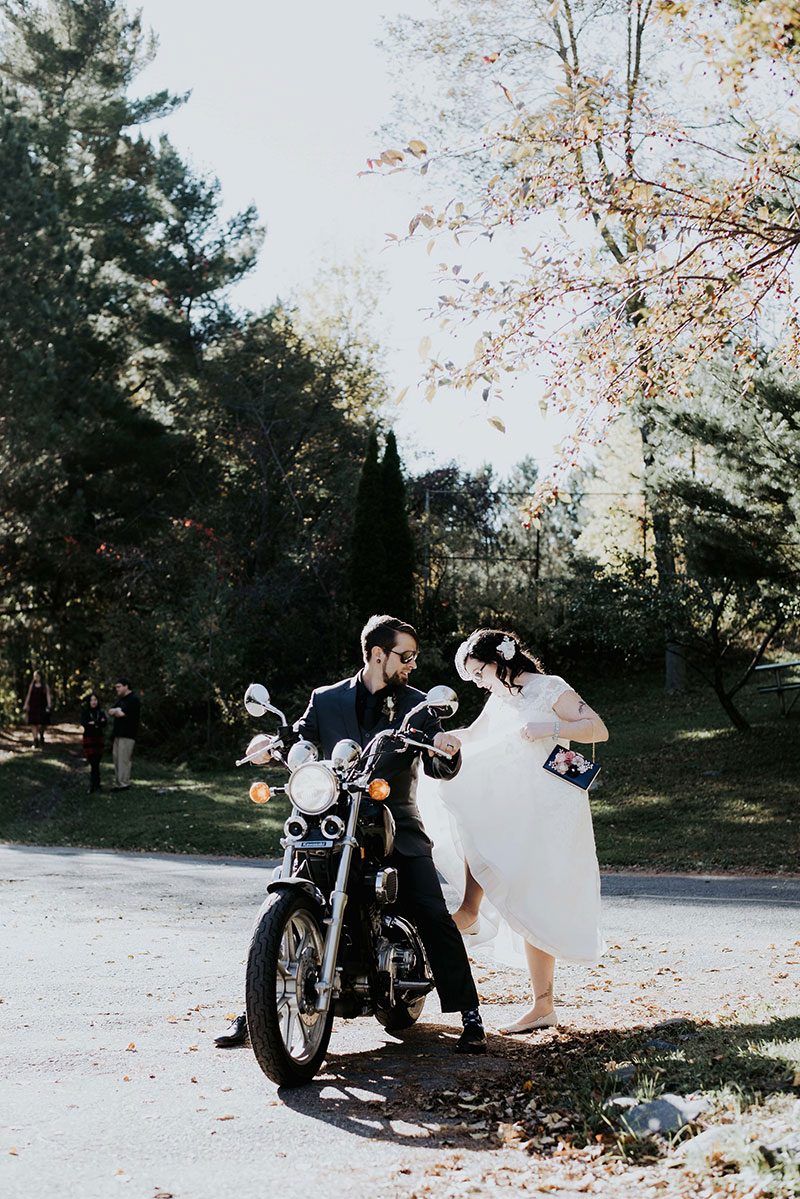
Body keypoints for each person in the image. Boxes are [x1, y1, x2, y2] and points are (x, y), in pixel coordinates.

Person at [215, 614, 488, 1055]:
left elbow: (439, 759)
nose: (412, 665)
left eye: (414, 658)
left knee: (430, 908)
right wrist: (268, 746)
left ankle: (469, 1013)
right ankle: (257, 1011)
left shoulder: (417, 704)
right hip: (334, 818)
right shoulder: (325, 700)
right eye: (406, 656)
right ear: (378, 654)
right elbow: (297, 739)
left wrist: (448, 753)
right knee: (283, 895)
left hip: (393, 822)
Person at [417, 628, 608, 1036]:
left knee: (535, 891)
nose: (478, 682)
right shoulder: (501, 698)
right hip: (514, 803)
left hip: (549, 804)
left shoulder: (549, 688)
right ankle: (471, 911)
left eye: (479, 673)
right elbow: (480, 735)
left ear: (499, 660)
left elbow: (597, 728)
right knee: (475, 820)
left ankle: (542, 1004)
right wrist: (448, 739)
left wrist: (550, 729)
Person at [107, 678, 141, 791]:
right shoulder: (121, 700)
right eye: (116, 687)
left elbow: (121, 714)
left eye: (119, 686)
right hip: (118, 734)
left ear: (126, 686)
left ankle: (124, 784)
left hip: (128, 734)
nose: (117, 689)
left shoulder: (133, 700)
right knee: (116, 758)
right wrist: (117, 710)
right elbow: (111, 711)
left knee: (123, 759)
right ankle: (119, 783)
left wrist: (117, 711)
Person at [81, 692, 107, 793]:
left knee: (97, 762)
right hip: (89, 739)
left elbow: (104, 723)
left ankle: (95, 785)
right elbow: (84, 723)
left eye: (95, 700)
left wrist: (94, 723)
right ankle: (95, 784)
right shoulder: (85, 712)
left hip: (99, 739)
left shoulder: (100, 712)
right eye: (92, 700)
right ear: (89, 702)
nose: (94, 702)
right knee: (93, 762)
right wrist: (97, 723)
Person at [23, 670, 52, 748]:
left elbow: (48, 695)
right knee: (33, 723)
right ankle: (35, 741)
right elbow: (28, 695)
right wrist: (26, 704)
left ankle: (41, 736)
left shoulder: (45, 685)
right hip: (33, 707)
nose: (35, 678)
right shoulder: (32, 685)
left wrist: (49, 705)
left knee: (40, 724)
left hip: (42, 707)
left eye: (37, 676)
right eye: (34, 676)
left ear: (40, 676)